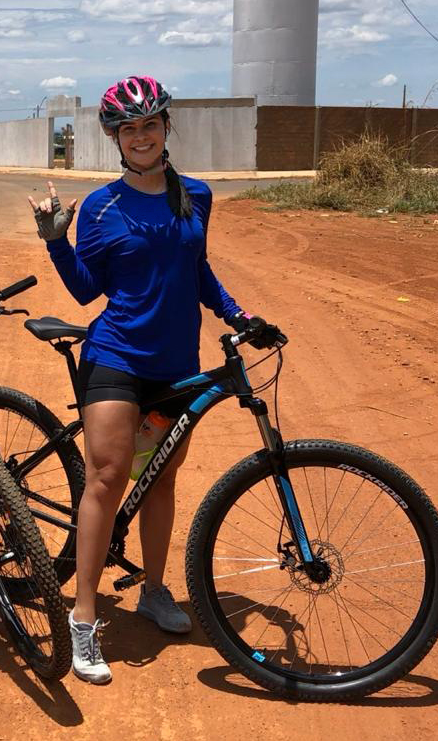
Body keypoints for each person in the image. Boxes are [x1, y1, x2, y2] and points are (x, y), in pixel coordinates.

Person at [29, 75, 270, 683]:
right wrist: (57, 240)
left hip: (176, 362)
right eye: (129, 128)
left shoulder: (197, 195)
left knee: (160, 479)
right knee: (108, 477)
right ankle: (83, 615)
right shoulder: (102, 207)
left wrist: (238, 315)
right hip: (116, 355)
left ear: (166, 128)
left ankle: (154, 590)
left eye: (150, 125)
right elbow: (87, 289)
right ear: (116, 137)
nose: (141, 136)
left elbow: (198, 270)